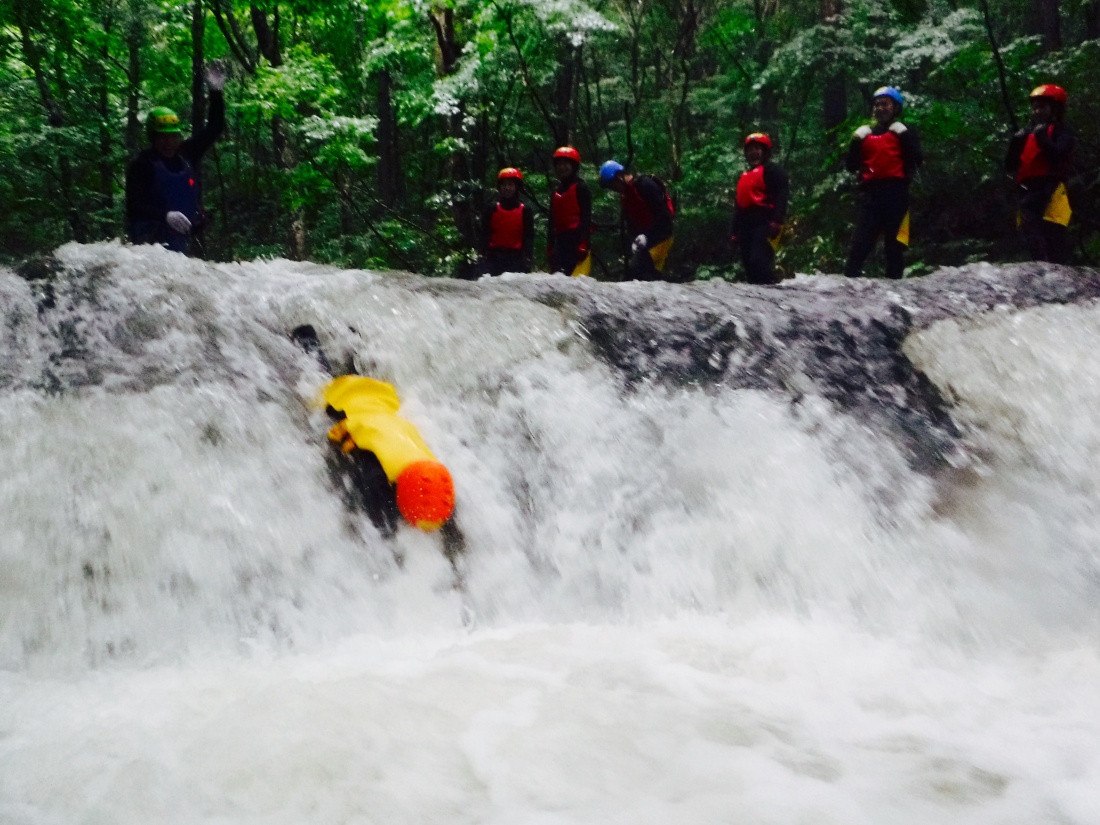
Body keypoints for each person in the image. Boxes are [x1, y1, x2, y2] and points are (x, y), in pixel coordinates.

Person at [291, 326, 462, 556]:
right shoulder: (375, 478)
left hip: (382, 399)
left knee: (358, 376)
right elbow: (365, 520)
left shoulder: (432, 473)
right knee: (321, 380)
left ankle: (351, 339)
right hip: (342, 407)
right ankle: (306, 339)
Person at [125, 63, 227, 254]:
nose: (168, 142)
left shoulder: (187, 154)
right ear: (152, 137)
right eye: (162, 137)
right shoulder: (142, 165)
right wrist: (165, 216)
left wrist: (216, 92)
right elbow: (134, 207)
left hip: (181, 241)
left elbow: (215, 127)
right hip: (150, 245)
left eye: (173, 136)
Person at [843, 86, 922, 280]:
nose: (880, 108)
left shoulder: (905, 131)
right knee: (859, 245)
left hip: (897, 194)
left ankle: (895, 290)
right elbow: (852, 167)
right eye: (877, 104)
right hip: (871, 195)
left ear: (895, 108)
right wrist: (855, 142)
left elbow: (917, 159)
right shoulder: (865, 135)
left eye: (885, 104)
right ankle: (848, 285)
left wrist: (904, 136)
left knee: (894, 247)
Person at [1004, 84, 1075, 264]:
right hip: (1027, 190)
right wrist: (1015, 143)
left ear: (1055, 109)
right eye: (1034, 108)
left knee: (1053, 233)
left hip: (1051, 188)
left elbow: (1058, 154)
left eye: (1042, 107)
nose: (1037, 112)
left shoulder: (1062, 131)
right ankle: (1040, 269)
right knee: (1030, 233)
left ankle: (1060, 270)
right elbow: (1010, 165)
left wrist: (1043, 138)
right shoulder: (1026, 135)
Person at [598, 160, 675, 281]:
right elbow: (632, 224)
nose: (614, 189)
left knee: (641, 271)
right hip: (648, 240)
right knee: (635, 273)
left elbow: (663, 215)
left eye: (613, 184)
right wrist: (635, 240)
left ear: (620, 176)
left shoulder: (645, 184)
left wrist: (646, 236)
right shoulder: (626, 196)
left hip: (662, 236)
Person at [731, 132, 790, 285]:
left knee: (758, 260)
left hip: (765, 222)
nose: (753, 153)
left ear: (765, 152)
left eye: (757, 149)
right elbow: (739, 206)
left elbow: (782, 196)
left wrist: (777, 221)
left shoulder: (774, 171)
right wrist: (734, 231)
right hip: (746, 224)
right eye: (750, 150)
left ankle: (774, 289)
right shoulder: (745, 175)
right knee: (749, 266)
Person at [478, 167, 534, 276]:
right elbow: (485, 233)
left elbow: (528, 236)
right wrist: (481, 253)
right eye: (503, 185)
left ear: (516, 187)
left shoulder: (525, 210)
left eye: (510, 184)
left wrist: (528, 256)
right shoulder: (491, 208)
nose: (507, 188)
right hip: (494, 258)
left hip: (516, 259)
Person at [547, 146, 593, 277]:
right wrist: (550, 245)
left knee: (577, 284)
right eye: (560, 164)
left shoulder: (581, 187)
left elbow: (586, 216)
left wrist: (584, 241)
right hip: (560, 242)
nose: (562, 167)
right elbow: (552, 221)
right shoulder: (555, 191)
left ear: (573, 166)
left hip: (577, 240)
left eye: (566, 164)